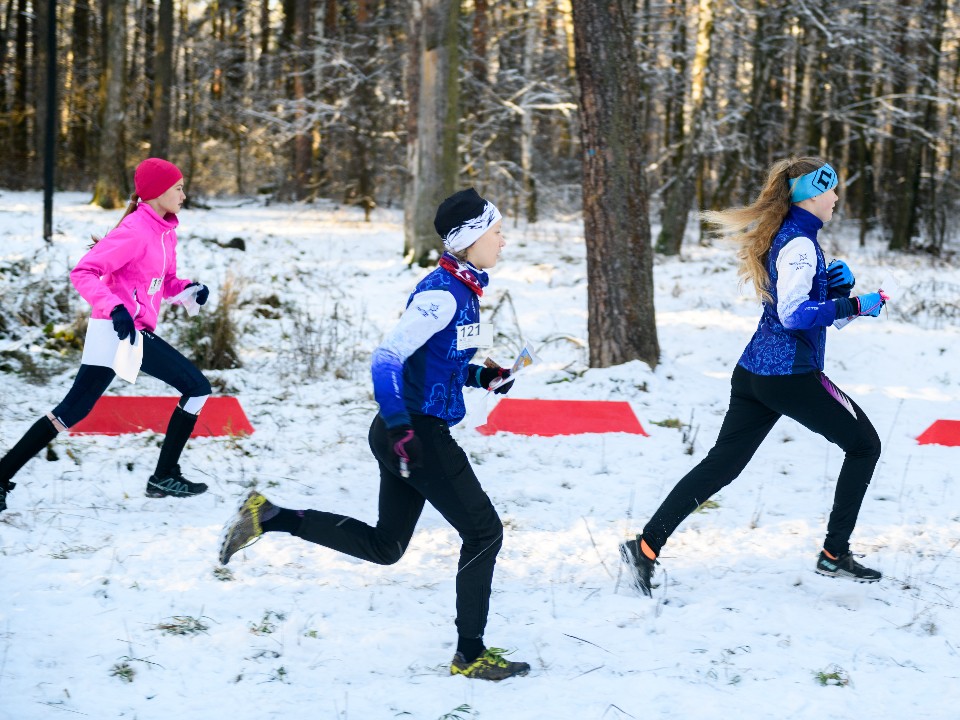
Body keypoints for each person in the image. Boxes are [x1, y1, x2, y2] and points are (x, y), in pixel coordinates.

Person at [218, 188, 530, 682]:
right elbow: (386, 359)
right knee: (484, 531)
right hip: (413, 433)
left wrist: (484, 378)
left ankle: (269, 515)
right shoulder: (439, 296)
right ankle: (470, 654)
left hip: (403, 432)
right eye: (496, 231)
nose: (505, 240)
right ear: (471, 240)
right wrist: (402, 427)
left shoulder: (462, 289)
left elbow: (439, 367)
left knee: (387, 546)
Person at [620, 156, 886, 596]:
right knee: (865, 446)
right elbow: (795, 314)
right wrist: (856, 304)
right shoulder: (800, 244)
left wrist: (837, 292)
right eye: (832, 190)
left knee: (720, 465)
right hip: (790, 376)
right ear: (813, 193)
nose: (837, 198)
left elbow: (805, 311)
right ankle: (834, 554)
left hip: (754, 374)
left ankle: (645, 547)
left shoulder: (790, 236)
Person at [0, 158, 212, 513]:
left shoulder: (164, 232)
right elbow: (84, 272)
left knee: (71, 411)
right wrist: (115, 308)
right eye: (178, 188)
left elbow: (165, 281)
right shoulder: (134, 230)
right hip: (120, 329)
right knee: (197, 387)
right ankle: (164, 475)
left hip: (121, 329)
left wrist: (191, 289)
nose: (184, 195)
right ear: (158, 192)